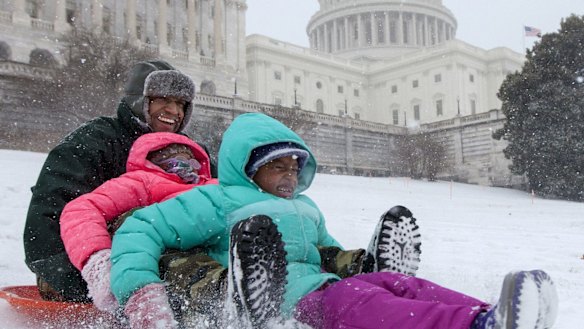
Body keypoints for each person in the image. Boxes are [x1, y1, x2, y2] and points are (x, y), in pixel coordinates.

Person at [110, 113, 558, 329]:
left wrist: (350, 262)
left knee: (394, 287)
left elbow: (322, 249)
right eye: (276, 167)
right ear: (247, 167)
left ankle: (489, 312)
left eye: (293, 167)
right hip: (274, 298)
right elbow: (140, 228)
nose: (289, 176)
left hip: (318, 283)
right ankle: (473, 327)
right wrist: (138, 291)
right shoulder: (219, 199)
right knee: (362, 300)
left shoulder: (306, 209)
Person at [22, 59, 215, 302]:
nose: (174, 111)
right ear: (140, 100)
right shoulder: (97, 140)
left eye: (180, 104)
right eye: (164, 100)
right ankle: (203, 290)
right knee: (140, 219)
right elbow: (51, 205)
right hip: (85, 267)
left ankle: (219, 284)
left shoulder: (188, 154)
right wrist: (77, 278)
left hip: (167, 259)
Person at [60, 132, 217, 313]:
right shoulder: (144, 181)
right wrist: (98, 259)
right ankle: (218, 289)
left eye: (192, 163)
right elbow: (82, 209)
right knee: (183, 264)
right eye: (177, 163)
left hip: (218, 240)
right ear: (156, 164)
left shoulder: (213, 185)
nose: (188, 170)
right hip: (171, 249)